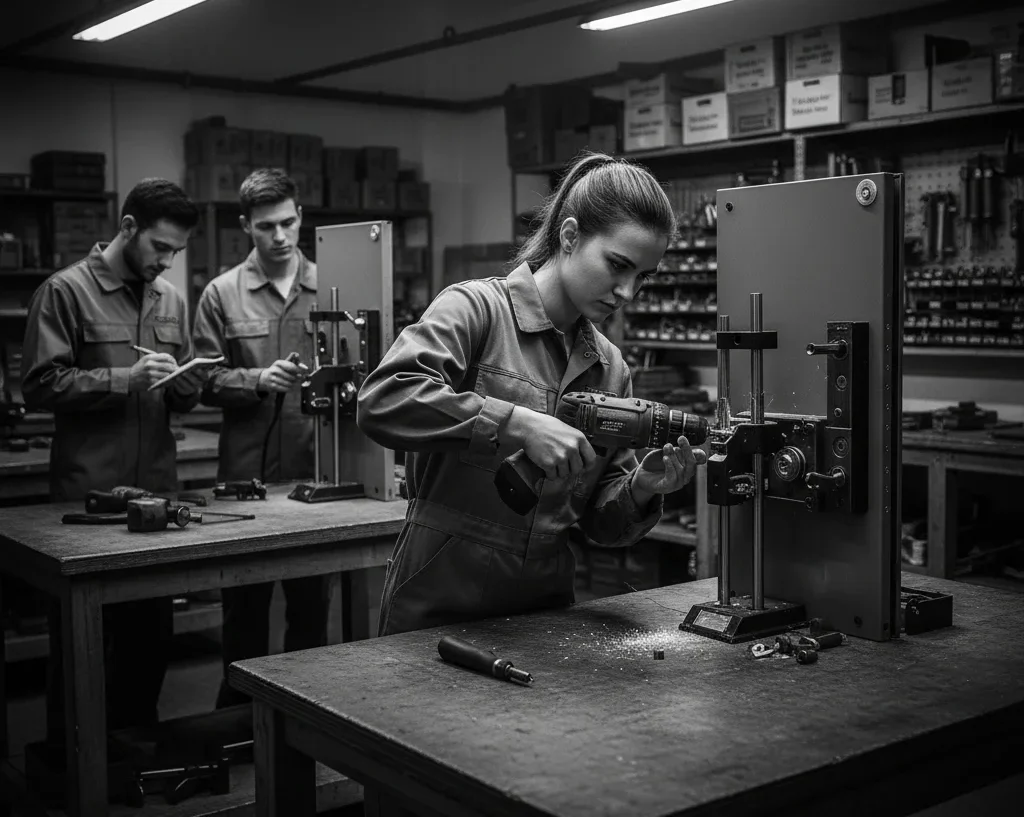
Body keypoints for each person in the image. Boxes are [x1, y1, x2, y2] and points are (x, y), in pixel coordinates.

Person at [357, 152, 701, 637]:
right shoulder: (475, 311)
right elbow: (383, 401)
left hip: (544, 608)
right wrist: (515, 423)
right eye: (618, 266)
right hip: (439, 591)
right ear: (569, 235)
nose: (627, 292)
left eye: (642, 277)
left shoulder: (612, 367)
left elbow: (600, 526)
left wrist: (642, 488)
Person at [21, 177, 202, 735]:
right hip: (88, 500)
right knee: (84, 646)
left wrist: (182, 381)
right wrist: (124, 379)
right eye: (160, 248)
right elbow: (40, 384)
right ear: (128, 228)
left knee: (150, 640)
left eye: (176, 251)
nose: (168, 262)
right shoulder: (65, 291)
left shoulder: (169, 298)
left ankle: (136, 758)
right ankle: (72, 771)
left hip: (155, 497)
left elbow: (189, 385)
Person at [192, 168, 327, 709]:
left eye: (289, 222)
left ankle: (307, 716)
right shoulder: (221, 294)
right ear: (246, 225)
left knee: (311, 613)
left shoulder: (333, 283)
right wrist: (254, 380)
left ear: (301, 217)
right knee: (243, 611)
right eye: (267, 226)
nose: (280, 236)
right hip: (244, 479)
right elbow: (198, 379)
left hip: (316, 475)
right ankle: (237, 723)